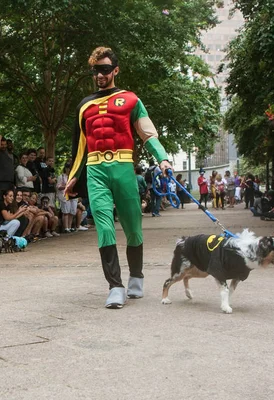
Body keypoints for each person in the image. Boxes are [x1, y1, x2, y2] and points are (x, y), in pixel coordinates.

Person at [65, 47, 172, 308]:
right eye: (95, 70)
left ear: (115, 70)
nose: (100, 75)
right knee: (103, 226)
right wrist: (73, 175)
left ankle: (136, 275)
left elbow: (148, 133)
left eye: (104, 69)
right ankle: (115, 285)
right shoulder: (84, 106)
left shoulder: (131, 99)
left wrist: (163, 158)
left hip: (124, 166)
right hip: (95, 169)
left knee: (133, 226)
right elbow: (80, 146)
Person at [0, 135, 15, 204]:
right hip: (0, 182)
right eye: (1, 144)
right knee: (0, 203)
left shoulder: (8, 154)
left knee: (9, 203)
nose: (4, 146)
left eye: (5, 144)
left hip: (9, 182)